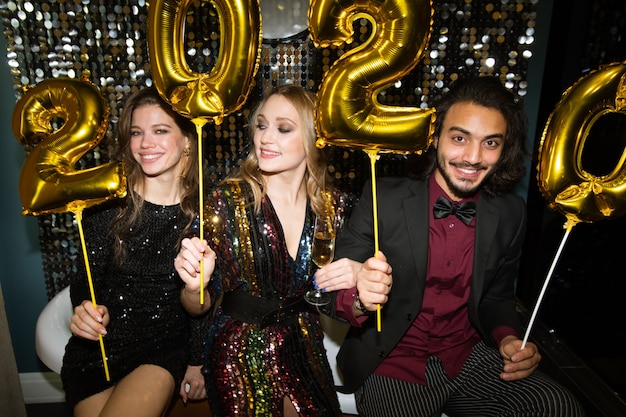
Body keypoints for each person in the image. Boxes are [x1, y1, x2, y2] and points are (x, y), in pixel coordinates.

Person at [315, 76, 585, 416]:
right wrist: (361, 297)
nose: (472, 158)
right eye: (460, 138)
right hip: (393, 361)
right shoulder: (382, 196)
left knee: (556, 406)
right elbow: (325, 290)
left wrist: (508, 339)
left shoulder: (510, 213)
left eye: (490, 143)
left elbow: (496, 299)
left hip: (469, 358)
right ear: (436, 137)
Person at [174, 85, 356, 416]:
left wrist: (359, 277)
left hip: (304, 344)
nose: (265, 138)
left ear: (315, 138)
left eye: (283, 128)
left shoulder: (336, 208)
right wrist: (193, 286)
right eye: (261, 125)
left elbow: (344, 301)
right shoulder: (225, 202)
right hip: (239, 348)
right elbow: (197, 307)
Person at [62, 86, 208, 417]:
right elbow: (85, 280)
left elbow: (207, 298)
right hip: (98, 350)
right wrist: (85, 309)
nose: (145, 144)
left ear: (187, 140)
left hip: (161, 349)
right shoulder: (106, 204)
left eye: (160, 131)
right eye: (137, 132)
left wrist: (197, 360)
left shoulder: (206, 210)